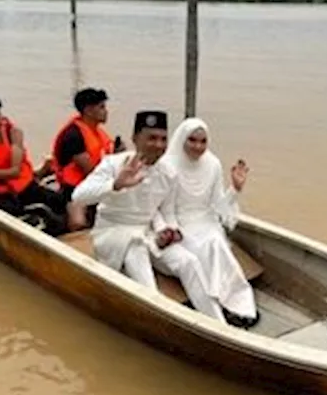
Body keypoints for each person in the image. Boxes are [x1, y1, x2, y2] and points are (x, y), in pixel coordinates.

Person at [71, 110, 227, 324]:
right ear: (136, 138)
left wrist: (168, 230)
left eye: (163, 139)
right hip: (114, 232)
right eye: (151, 138)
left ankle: (219, 325)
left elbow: (167, 211)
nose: (158, 144)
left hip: (148, 233)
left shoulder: (168, 172)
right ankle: (158, 319)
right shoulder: (114, 164)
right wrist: (116, 184)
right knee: (138, 255)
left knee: (188, 261)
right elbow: (78, 196)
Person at [158, 118, 258, 327]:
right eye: (192, 140)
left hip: (206, 222)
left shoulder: (213, 164)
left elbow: (218, 206)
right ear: (182, 139)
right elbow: (165, 209)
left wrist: (235, 189)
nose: (198, 146)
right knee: (205, 248)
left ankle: (240, 305)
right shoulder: (167, 166)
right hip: (180, 224)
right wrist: (173, 231)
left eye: (203, 141)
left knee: (216, 245)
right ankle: (215, 304)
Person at [0, 93, 69, 234]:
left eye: (0, 116)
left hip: (25, 189)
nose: (0, 121)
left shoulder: (13, 133)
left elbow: (16, 171)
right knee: (11, 211)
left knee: (61, 202)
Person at [50, 88, 113, 228]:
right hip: (75, 189)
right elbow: (89, 170)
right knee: (78, 222)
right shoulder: (73, 136)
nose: (106, 111)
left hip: (98, 182)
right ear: (89, 111)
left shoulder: (97, 132)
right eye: (101, 107)